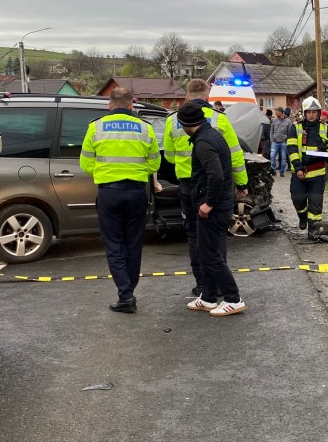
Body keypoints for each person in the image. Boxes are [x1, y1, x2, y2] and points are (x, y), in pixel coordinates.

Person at [80, 87, 160, 313]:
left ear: (110, 104)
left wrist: (106, 173)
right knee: (133, 243)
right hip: (136, 192)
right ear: (132, 105)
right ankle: (129, 290)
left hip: (109, 192)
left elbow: (85, 163)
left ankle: (125, 294)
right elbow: (154, 164)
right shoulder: (146, 128)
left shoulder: (95, 127)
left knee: (114, 244)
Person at [164, 79, 238, 296]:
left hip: (188, 185)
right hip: (217, 186)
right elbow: (235, 155)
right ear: (208, 96)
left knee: (194, 236)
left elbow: (168, 156)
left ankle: (203, 284)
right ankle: (219, 284)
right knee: (218, 236)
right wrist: (241, 183)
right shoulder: (220, 119)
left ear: (187, 95)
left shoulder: (173, 121)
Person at [176, 101, 247, 316]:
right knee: (206, 253)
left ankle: (233, 299)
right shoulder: (212, 135)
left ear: (185, 124)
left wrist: (208, 203)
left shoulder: (203, 143)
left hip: (214, 207)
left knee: (212, 255)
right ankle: (207, 297)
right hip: (218, 204)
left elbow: (216, 176)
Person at [286, 97, 328, 239]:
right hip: (300, 172)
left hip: (317, 174)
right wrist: (298, 168)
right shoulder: (295, 128)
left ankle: (314, 231)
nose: (312, 115)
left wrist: (326, 150)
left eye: (314, 112)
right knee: (297, 198)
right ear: (304, 113)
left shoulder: (325, 128)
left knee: (315, 204)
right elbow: (292, 149)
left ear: (318, 113)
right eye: (309, 112)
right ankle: (302, 216)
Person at [270, 107, 291, 177]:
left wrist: (287, 142)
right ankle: (273, 170)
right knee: (272, 157)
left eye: (277, 111)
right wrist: (272, 141)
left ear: (281, 112)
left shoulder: (288, 122)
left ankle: (282, 172)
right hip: (275, 143)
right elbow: (271, 131)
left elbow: (290, 133)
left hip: (283, 143)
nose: (276, 113)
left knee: (284, 158)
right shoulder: (274, 121)